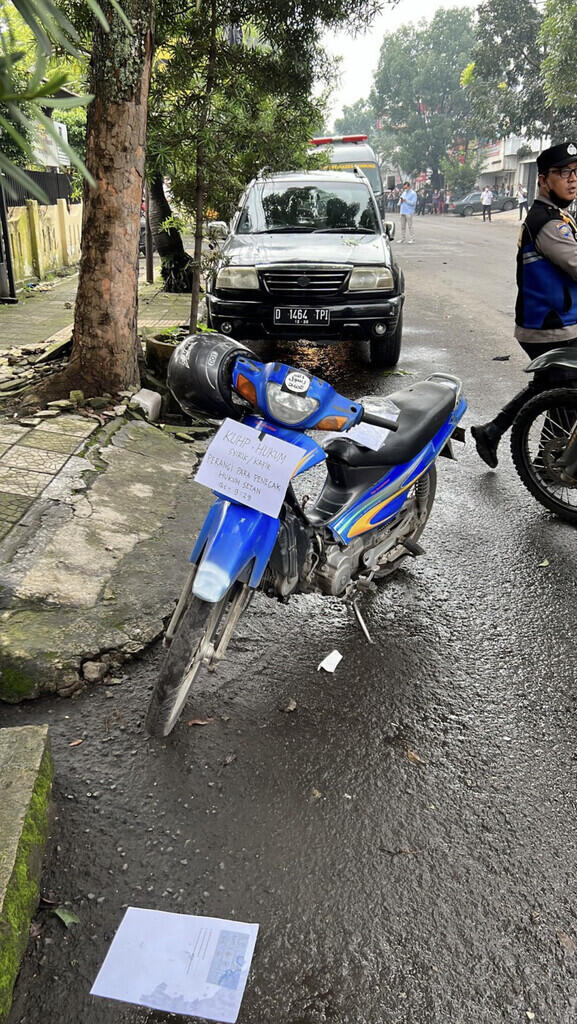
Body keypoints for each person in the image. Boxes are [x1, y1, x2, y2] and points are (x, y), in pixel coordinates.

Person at [471, 141, 577, 468]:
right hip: (550, 327)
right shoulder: (548, 223)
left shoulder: (555, 216)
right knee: (566, 393)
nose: (572, 179)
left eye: (575, 172)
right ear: (543, 180)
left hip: (549, 322)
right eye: (563, 173)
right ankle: (551, 466)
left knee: (550, 386)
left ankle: (492, 431)